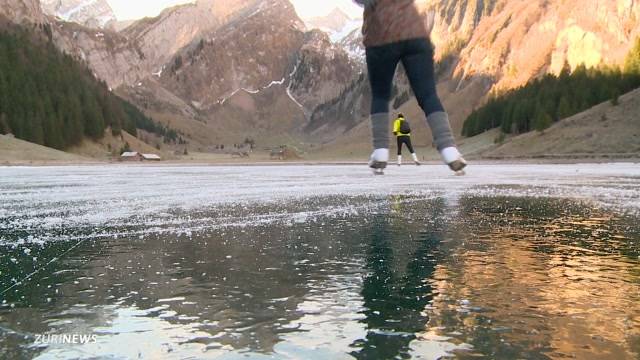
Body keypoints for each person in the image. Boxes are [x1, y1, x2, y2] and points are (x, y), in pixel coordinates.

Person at [355, 0, 467, 174]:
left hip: (381, 36)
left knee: (380, 96)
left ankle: (380, 153)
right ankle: (449, 151)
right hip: (415, 33)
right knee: (428, 95)